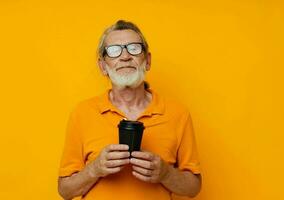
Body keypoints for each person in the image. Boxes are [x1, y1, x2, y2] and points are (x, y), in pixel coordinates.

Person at [58, 20, 202, 200]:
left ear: (147, 60)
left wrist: (166, 174)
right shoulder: (82, 113)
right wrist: (94, 169)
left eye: (134, 48)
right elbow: (65, 191)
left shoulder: (177, 113)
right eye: (114, 50)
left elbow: (193, 188)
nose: (125, 56)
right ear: (103, 66)